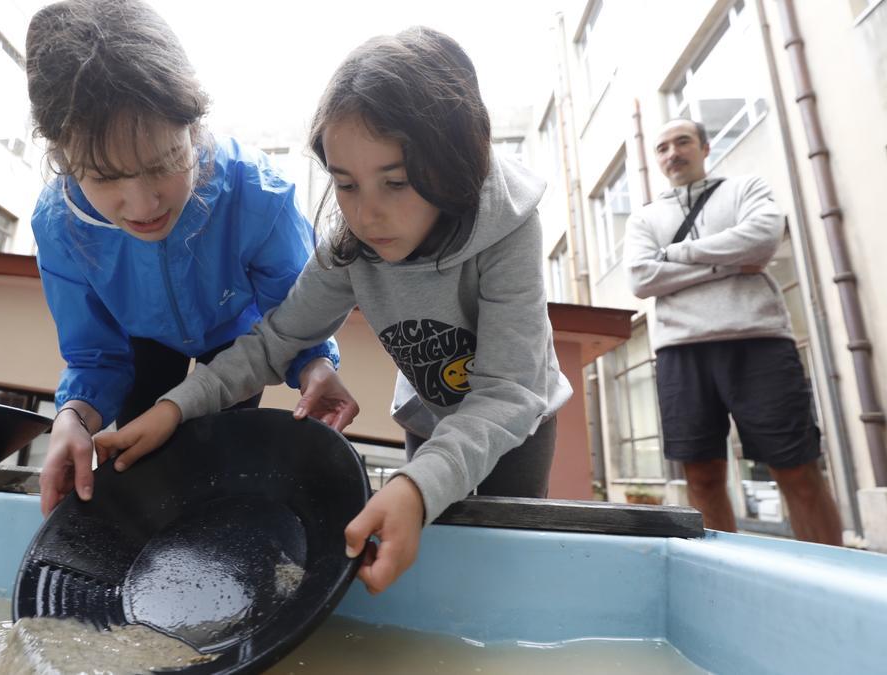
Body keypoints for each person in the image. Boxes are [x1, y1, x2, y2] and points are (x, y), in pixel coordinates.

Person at [97, 27, 572, 595]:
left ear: (452, 162)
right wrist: (174, 408)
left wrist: (415, 487)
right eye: (346, 185)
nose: (367, 215)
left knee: (505, 565)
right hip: (429, 413)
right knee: (430, 554)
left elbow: (507, 392)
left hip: (518, 420)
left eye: (394, 182)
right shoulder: (351, 248)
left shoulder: (509, 227)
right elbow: (273, 343)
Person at [25, 0, 355, 517]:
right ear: (63, 161)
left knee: (221, 458)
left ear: (193, 127)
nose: (143, 206)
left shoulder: (256, 194)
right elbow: (95, 355)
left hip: (237, 335)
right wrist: (72, 417)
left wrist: (313, 365)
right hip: (142, 343)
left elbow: (292, 316)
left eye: (164, 164)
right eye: (105, 177)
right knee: (138, 461)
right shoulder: (60, 226)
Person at [625, 118, 842, 545]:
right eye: (663, 147)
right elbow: (640, 278)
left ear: (705, 148)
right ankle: (722, 581)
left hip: (758, 341)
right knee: (701, 477)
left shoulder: (746, 189)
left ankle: (835, 580)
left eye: (683, 141)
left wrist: (675, 255)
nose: (673, 153)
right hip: (680, 352)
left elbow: (762, 240)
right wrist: (727, 262)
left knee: (796, 469)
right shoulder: (645, 218)